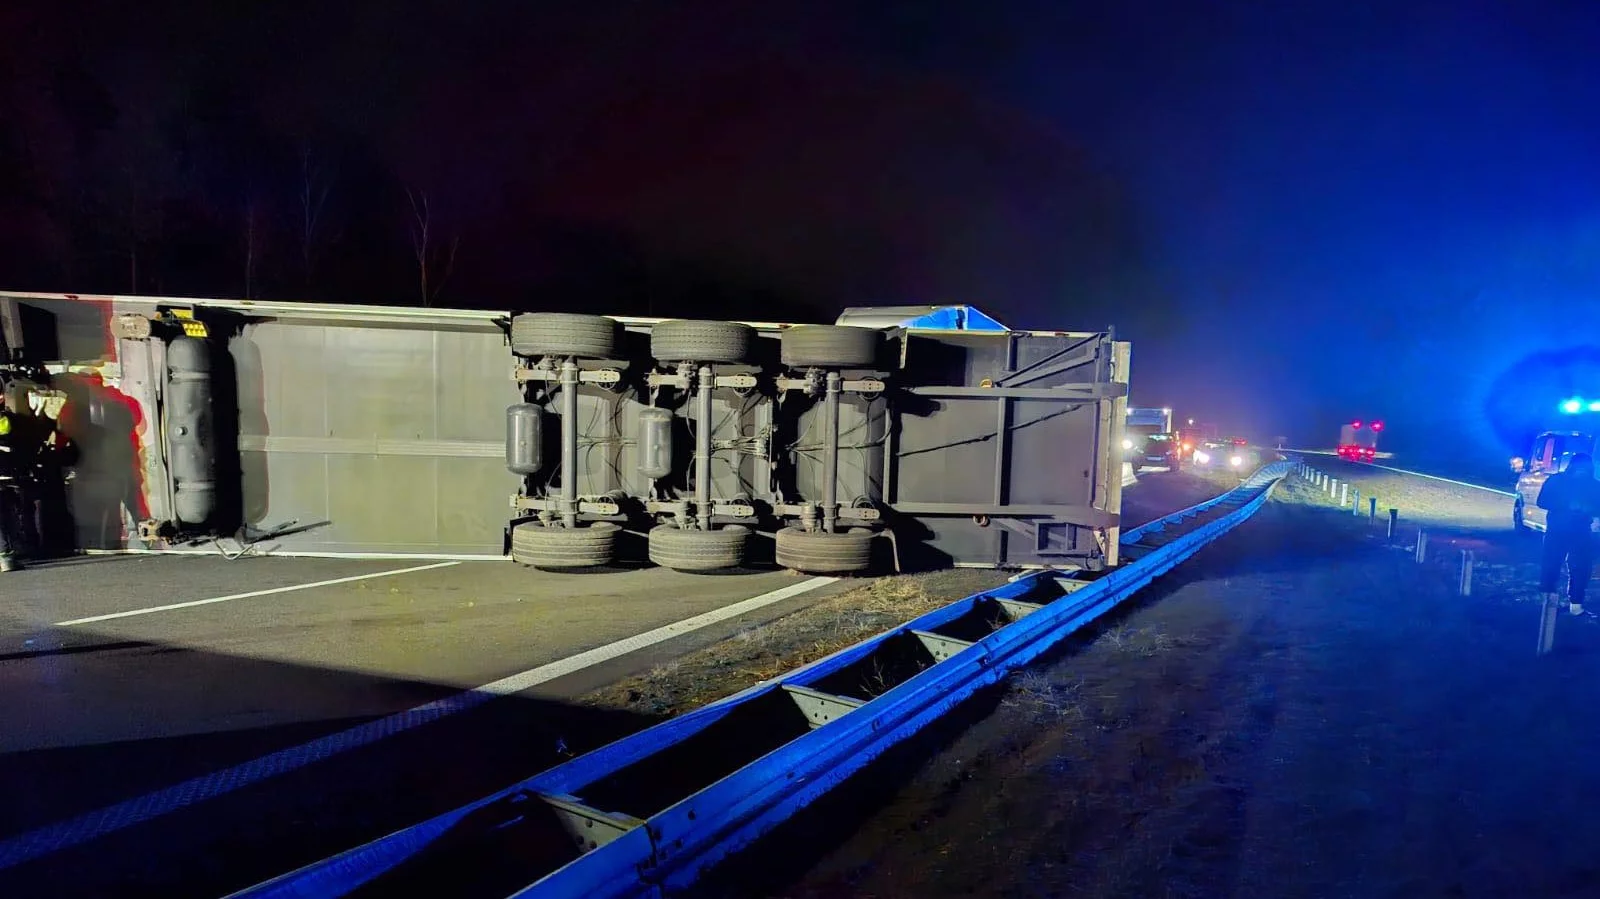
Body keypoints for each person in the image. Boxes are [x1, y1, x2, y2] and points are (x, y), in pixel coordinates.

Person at [1536, 452, 1600, 615]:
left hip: (1566, 530)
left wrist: (1578, 508)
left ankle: (1557, 605)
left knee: (1561, 565)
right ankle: (1565, 605)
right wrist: (1575, 508)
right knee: (1573, 567)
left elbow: (1542, 502)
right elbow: (1542, 502)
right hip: (1573, 531)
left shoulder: (1557, 480)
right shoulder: (1592, 485)